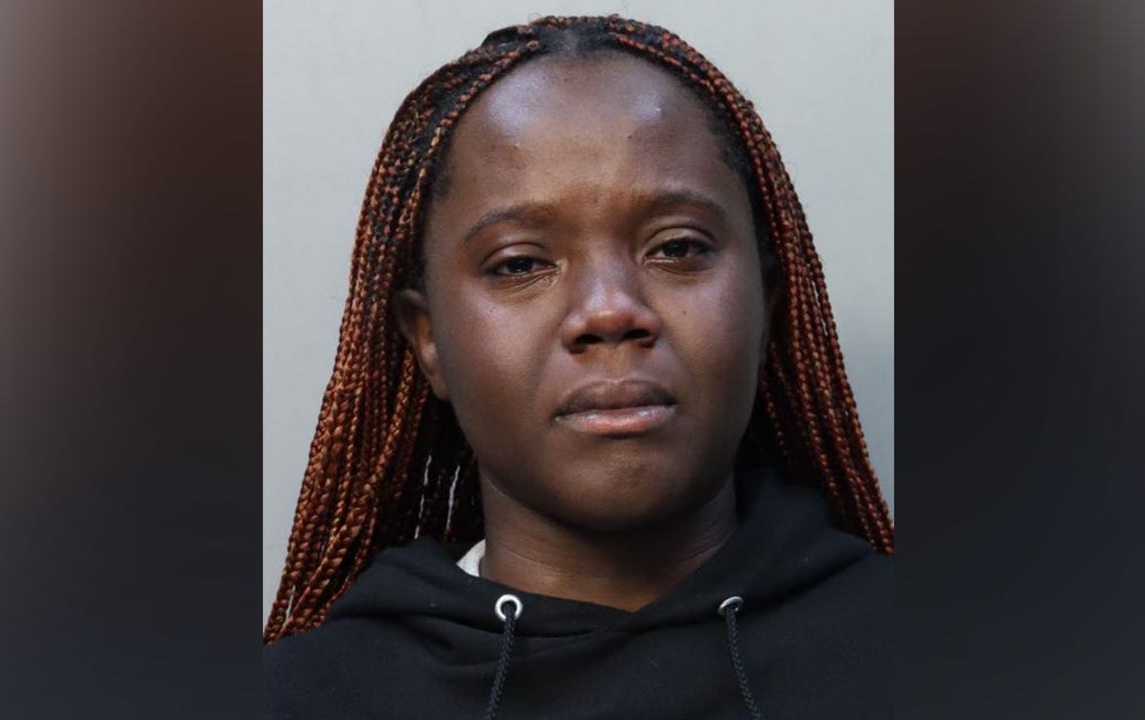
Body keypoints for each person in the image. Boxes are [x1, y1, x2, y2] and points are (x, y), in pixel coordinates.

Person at [264, 15, 893, 720]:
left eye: (678, 248)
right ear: (428, 339)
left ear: (767, 308)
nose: (609, 310)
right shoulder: (299, 700)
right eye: (519, 264)